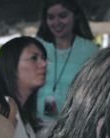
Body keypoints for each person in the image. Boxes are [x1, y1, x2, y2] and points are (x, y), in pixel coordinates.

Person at [35, 0, 98, 129]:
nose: (56, 22)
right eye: (51, 17)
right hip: (37, 124)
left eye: (62, 16)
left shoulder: (89, 50)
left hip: (73, 127)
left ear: (75, 16)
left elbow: (95, 92)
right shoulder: (37, 46)